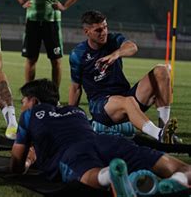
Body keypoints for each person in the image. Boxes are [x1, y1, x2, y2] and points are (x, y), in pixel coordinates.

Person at [11, 79, 191, 195]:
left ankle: (110, 176)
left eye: (23, 102)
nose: (23, 106)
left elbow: (17, 165)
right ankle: (178, 180)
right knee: (180, 167)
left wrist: (25, 162)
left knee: (91, 176)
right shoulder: (76, 111)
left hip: (72, 153)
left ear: (33, 101)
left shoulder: (30, 115)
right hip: (107, 142)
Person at [68, 10, 180, 144]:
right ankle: (159, 135)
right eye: (98, 30)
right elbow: (75, 88)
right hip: (102, 106)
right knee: (128, 102)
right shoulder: (78, 54)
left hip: (126, 95)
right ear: (86, 32)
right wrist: (70, 118)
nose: (103, 32)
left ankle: (165, 131)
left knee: (162, 70)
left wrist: (115, 55)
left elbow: (132, 47)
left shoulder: (113, 40)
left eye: (105, 27)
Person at [13, 0, 83, 88]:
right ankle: (29, 93)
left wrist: (64, 6)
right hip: (32, 21)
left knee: (56, 60)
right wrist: (22, 2)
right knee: (31, 59)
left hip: (51, 22)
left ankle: (54, 95)